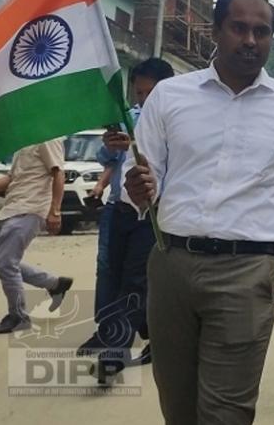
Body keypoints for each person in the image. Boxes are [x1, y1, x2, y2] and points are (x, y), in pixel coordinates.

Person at [125, 0, 274, 425]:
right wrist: (138, 190)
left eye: (262, 31)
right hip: (171, 263)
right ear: (216, 31)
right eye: (239, 28)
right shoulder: (169, 96)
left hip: (247, 271)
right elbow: (142, 181)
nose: (250, 40)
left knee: (226, 412)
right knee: (177, 404)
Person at [82, 57, 175, 379]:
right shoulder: (128, 117)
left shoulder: (177, 122)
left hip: (153, 213)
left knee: (137, 278)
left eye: (150, 93)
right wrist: (112, 146)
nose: (143, 99)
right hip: (118, 208)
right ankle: (113, 331)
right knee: (109, 272)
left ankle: (114, 353)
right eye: (139, 92)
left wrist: (137, 144)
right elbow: (104, 157)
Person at [0, 138, 74, 334]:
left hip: (30, 208)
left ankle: (18, 316)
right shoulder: (23, 141)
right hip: (12, 207)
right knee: (2, 262)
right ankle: (55, 284)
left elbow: (58, 173)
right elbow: (12, 178)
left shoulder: (47, 138)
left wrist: (55, 210)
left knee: (5, 263)